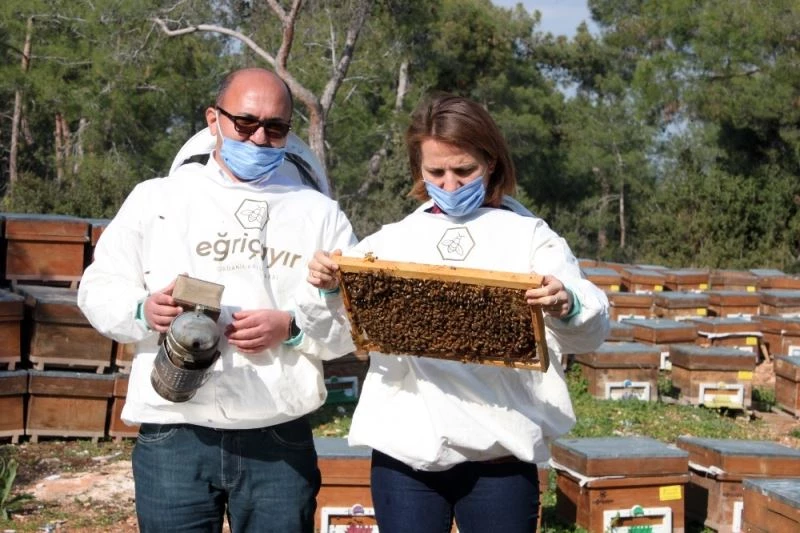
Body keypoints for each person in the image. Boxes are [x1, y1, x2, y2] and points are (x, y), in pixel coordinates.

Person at [307, 93, 610, 533]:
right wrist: (331, 288)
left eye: (463, 170)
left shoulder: (531, 237)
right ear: (419, 170)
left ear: (491, 162)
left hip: (500, 454)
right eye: (436, 172)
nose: (450, 185)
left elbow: (589, 328)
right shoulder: (391, 242)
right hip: (406, 454)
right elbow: (332, 333)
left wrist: (568, 304)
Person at [78, 67, 357, 533]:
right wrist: (144, 310)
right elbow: (99, 287)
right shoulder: (155, 199)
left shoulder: (320, 213)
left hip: (277, 434)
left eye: (275, 128)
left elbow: (353, 322)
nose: (259, 138)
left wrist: (291, 328)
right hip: (174, 430)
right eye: (245, 123)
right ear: (214, 120)